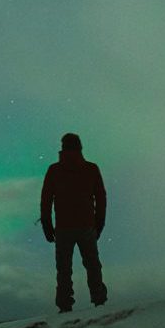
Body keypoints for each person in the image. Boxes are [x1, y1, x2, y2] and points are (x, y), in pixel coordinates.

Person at [40, 132, 107, 312]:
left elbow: (46, 199)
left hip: (63, 227)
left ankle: (64, 304)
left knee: (63, 269)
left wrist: (46, 224)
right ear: (80, 147)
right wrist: (99, 224)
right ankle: (99, 299)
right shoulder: (91, 169)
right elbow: (101, 198)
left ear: (62, 147)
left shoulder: (54, 170)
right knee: (92, 264)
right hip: (87, 225)